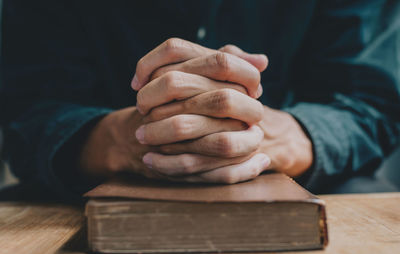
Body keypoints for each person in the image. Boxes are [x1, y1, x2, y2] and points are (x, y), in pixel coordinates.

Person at [1, 0, 399, 201]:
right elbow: (25, 110)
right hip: (82, 190)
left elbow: (372, 103)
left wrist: (265, 134)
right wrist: (127, 138)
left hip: (317, 184)